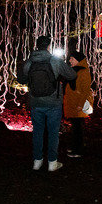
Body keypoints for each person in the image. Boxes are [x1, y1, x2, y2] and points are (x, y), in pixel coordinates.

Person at [16, 35, 77, 172]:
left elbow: (20, 79)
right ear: (49, 46)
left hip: (36, 102)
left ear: (37, 46)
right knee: (53, 132)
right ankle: (52, 162)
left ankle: (37, 162)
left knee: (37, 131)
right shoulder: (55, 61)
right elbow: (72, 75)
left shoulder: (29, 62)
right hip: (53, 103)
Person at [63, 50, 93, 158]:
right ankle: (76, 147)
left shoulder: (83, 72)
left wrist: (80, 104)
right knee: (76, 127)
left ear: (78, 60)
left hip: (77, 104)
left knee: (77, 128)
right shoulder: (74, 71)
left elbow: (85, 90)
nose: (70, 60)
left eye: (72, 58)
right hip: (73, 103)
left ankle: (78, 149)